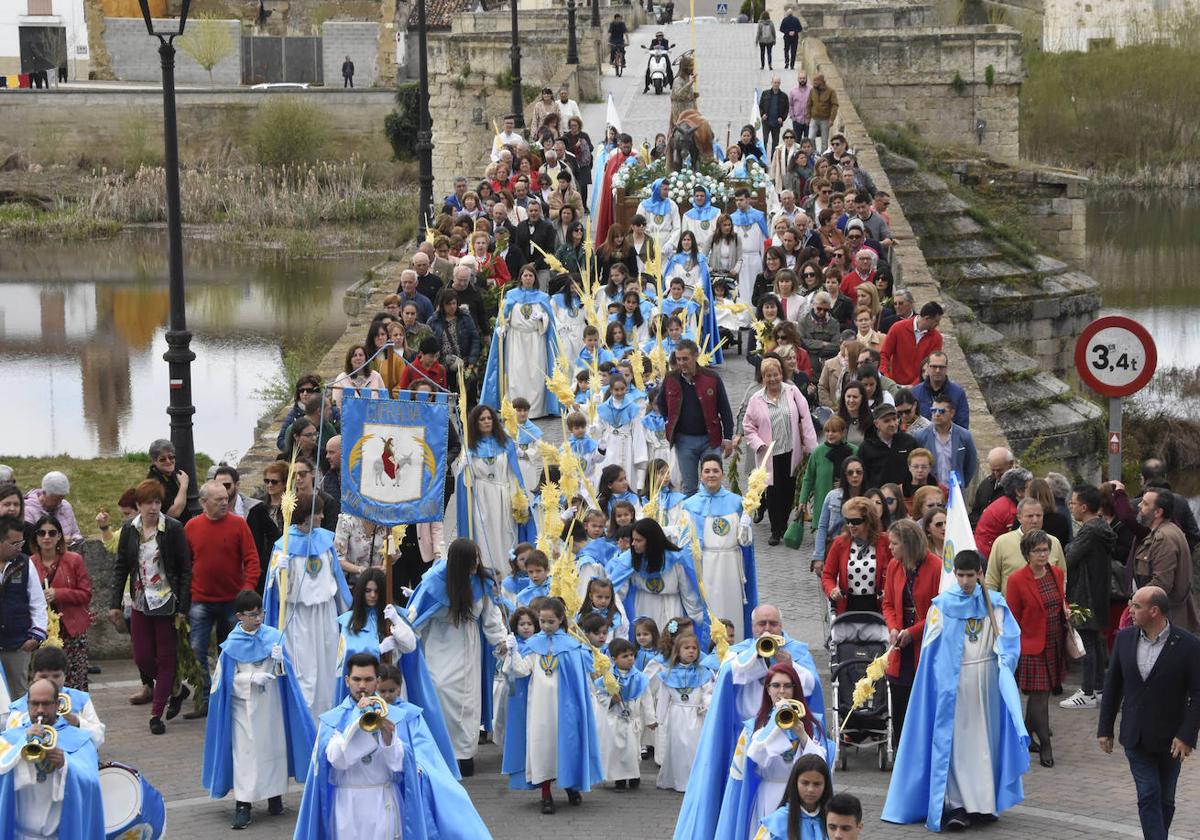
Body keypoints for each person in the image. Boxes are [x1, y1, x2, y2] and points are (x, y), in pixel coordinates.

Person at [882, 550, 1028, 832]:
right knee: (958, 744)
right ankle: (958, 804)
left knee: (985, 742)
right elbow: (931, 647)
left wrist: (1004, 657)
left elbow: (1010, 640)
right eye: (960, 575)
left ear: (980, 574)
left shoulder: (995, 604)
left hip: (986, 682)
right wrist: (936, 680)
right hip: (955, 684)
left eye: (970, 575)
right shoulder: (942, 606)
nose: (964, 581)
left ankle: (984, 803)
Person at [294, 651, 489, 839]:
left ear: (377, 681)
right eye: (356, 679)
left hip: (383, 800)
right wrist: (358, 723)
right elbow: (337, 759)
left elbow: (400, 764)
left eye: (369, 679)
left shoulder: (395, 716)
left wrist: (389, 740)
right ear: (347, 681)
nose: (362, 685)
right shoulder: (333, 720)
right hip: (347, 805)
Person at [673, 604, 825, 840]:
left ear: (781, 625)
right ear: (752, 627)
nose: (767, 629)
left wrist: (788, 665)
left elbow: (811, 685)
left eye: (773, 624)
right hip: (746, 732)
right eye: (761, 624)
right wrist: (757, 655)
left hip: (789, 731)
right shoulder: (741, 650)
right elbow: (728, 674)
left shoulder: (797, 650)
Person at [201, 589, 316, 829]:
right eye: (253, 614)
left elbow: (286, 676)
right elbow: (223, 683)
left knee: (274, 749)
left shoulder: (273, 636)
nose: (259, 618)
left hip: (271, 706)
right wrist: (251, 679)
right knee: (247, 755)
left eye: (261, 613)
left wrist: (280, 660)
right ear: (239, 616)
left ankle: (275, 797)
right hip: (244, 708)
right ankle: (243, 804)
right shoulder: (231, 646)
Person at [1097, 585, 1200, 840]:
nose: (1130, 610)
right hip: (1135, 735)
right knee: (1149, 793)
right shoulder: (1124, 638)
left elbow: (1198, 693)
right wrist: (1105, 729)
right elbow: (1112, 686)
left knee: (1166, 799)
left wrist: (1187, 735)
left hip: (1171, 739)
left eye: (1136, 606)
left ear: (1154, 611)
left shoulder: (1188, 645)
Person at [405, 538, 508, 777]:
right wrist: (403, 639)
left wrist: (501, 641)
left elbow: (491, 618)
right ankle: (440, 750)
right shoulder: (434, 582)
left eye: (477, 560)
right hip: (439, 645)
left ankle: (464, 753)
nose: (475, 566)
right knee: (439, 689)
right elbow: (416, 617)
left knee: (467, 700)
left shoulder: (482, 582)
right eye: (470, 562)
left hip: (469, 646)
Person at [503, 596, 603, 812]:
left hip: (565, 709)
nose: (546, 626)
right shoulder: (532, 645)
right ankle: (545, 793)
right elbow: (520, 670)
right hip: (539, 709)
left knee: (566, 746)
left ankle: (569, 786)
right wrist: (512, 653)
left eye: (551, 621)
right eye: (542, 621)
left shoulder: (572, 646)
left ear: (560, 620)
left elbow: (582, 676)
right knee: (542, 748)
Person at [109, 481, 191, 734]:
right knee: (142, 657)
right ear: (139, 505)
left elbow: (185, 569)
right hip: (140, 600)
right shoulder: (129, 529)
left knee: (166, 658)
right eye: (148, 503)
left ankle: (157, 714)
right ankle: (175, 688)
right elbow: (121, 566)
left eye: (157, 502)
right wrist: (114, 604)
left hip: (166, 600)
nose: (153, 508)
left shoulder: (173, 528)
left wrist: (182, 606)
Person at [262, 493, 351, 719]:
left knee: (329, 667)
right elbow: (274, 592)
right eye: (317, 512)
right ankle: (307, 723)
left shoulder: (324, 540)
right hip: (299, 617)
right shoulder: (283, 545)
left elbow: (336, 578)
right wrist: (277, 571)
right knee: (305, 671)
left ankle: (329, 719)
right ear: (304, 515)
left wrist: (347, 614)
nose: (322, 516)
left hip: (326, 614)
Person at [717, 662, 827, 839]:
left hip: (801, 797)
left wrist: (801, 733)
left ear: (795, 689)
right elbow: (756, 755)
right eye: (776, 685)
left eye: (787, 686)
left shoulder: (811, 725)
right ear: (767, 690)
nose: (781, 691)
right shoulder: (755, 726)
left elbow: (820, 762)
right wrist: (774, 726)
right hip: (768, 794)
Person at [184, 480, 260, 717]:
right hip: (200, 599)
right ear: (203, 502)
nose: (224, 503)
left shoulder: (238, 524)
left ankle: (230, 694)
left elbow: (252, 559)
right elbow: (185, 564)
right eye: (218, 500)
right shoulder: (192, 527)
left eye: (226, 499)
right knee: (196, 650)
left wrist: (246, 591)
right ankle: (205, 697)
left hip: (232, 600)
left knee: (230, 651)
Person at [0, 678, 106, 837]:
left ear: (57, 704)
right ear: (27, 705)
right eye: (34, 704)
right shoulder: (9, 738)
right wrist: (22, 745)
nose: (40, 710)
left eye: (46, 703)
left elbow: (91, 784)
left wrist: (66, 766)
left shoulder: (81, 740)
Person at [1005, 529, 1067, 769]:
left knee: (1044, 693)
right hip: (1031, 644)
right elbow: (1012, 616)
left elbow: (1060, 602)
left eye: (1045, 549)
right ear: (1026, 554)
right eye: (1037, 550)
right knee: (1040, 695)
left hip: (1054, 641)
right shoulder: (1017, 580)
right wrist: (1013, 648)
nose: (1043, 554)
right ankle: (1046, 746)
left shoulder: (1056, 573)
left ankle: (1025, 734)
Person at [742, 357, 818, 545]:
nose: (773, 379)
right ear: (763, 377)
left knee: (788, 489)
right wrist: (758, 444)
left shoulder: (792, 393)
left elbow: (805, 419)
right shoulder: (756, 399)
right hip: (769, 453)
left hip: (791, 451)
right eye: (768, 375)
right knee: (773, 491)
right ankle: (776, 529)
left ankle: (784, 521)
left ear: (781, 374)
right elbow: (748, 426)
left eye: (775, 374)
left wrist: (812, 447)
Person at [682, 455, 757, 640]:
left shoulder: (737, 502)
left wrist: (746, 526)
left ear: (722, 475)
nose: (711, 475)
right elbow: (684, 541)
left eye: (715, 471)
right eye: (707, 471)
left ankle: (735, 643)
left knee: (733, 606)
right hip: (705, 565)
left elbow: (745, 542)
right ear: (700, 476)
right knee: (710, 608)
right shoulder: (689, 505)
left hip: (730, 564)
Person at [882, 518, 942, 747]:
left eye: (894, 544)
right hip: (900, 647)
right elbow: (887, 603)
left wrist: (913, 632)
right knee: (899, 705)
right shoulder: (894, 566)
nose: (890, 547)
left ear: (908, 545)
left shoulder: (936, 567)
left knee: (922, 707)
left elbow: (940, 612)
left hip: (923, 647)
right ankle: (900, 753)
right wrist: (894, 627)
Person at [454, 404, 529, 579]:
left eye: (489, 418)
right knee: (484, 536)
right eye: (482, 419)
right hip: (481, 500)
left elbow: (513, 474)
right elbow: (465, 481)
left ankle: (509, 575)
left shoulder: (506, 443)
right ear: (475, 423)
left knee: (506, 536)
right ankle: (488, 576)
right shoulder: (469, 448)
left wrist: (518, 499)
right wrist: (463, 467)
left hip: (503, 496)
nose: (487, 421)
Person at [1058, 484, 1115, 711]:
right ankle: (1099, 689)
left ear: (1083, 506)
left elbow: (1069, 556)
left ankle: (1088, 691)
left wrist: (1068, 546)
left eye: (1073, 503)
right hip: (1098, 592)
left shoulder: (1090, 531)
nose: (1071, 507)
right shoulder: (1101, 527)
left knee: (1088, 641)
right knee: (1096, 640)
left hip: (1086, 593)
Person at [656, 340, 735, 495]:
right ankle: (690, 519)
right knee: (689, 487)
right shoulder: (670, 378)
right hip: (684, 441)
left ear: (695, 356)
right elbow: (661, 404)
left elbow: (724, 409)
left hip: (710, 439)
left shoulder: (712, 378)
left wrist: (728, 438)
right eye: (678, 359)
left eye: (685, 359)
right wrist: (670, 423)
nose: (681, 363)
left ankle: (714, 517)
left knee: (712, 484)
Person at [26, 515, 90, 690]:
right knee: (44, 679)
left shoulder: (74, 560)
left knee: (74, 680)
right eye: (42, 533)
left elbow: (86, 594)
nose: (47, 537)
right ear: (36, 537)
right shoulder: (29, 563)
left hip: (71, 629)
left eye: (52, 533)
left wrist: (59, 593)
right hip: (42, 630)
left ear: (59, 536)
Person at [655, 632, 715, 791]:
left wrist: (706, 706)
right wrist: (659, 719)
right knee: (678, 746)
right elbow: (663, 697)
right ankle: (677, 780)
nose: (691, 651)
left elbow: (708, 692)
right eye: (686, 648)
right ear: (678, 651)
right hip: (677, 715)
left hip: (696, 714)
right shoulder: (668, 673)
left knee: (693, 746)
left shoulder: (703, 672)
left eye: (694, 648)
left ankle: (693, 781)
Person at [985, 497, 1067, 596]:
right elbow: (991, 581)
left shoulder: (1054, 542)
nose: (1035, 520)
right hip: (1011, 608)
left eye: (1038, 515)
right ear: (1019, 518)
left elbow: (1062, 577)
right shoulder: (1002, 542)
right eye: (1030, 516)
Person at [751, 754, 833, 840]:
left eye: (817, 784)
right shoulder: (777, 821)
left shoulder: (833, 819)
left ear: (826, 785)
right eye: (805, 783)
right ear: (795, 783)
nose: (810, 790)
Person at [913, 393, 978, 488]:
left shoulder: (964, 436)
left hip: (955, 492)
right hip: (930, 491)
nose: (937, 414)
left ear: (952, 413)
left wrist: (962, 484)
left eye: (942, 411)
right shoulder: (920, 436)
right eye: (933, 410)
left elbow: (970, 464)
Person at [973, 465, 1032, 561]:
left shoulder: (1005, 502)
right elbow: (1016, 540)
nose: (1033, 490)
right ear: (1019, 491)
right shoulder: (1011, 512)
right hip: (989, 555)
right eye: (1030, 487)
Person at [880, 301, 944, 387]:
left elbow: (931, 365)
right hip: (893, 384)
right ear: (927, 318)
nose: (938, 324)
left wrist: (914, 385)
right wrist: (887, 379)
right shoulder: (897, 328)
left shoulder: (937, 338)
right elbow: (884, 354)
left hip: (919, 387)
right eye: (936, 321)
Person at [859, 403, 918, 489]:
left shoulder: (909, 442)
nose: (893, 424)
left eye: (894, 419)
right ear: (876, 424)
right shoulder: (866, 447)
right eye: (887, 421)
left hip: (905, 497)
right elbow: (864, 477)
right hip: (878, 498)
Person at [22, 472, 82, 544]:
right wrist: (59, 541)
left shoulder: (66, 506)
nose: (59, 503)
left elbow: (76, 533)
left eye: (62, 498)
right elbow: (31, 542)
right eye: (55, 500)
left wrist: (75, 539)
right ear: (44, 493)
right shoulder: (28, 511)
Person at [807, 74, 838, 153]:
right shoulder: (812, 90)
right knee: (811, 138)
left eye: (816, 81)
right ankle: (814, 154)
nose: (814, 82)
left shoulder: (830, 91)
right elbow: (808, 104)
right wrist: (807, 117)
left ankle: (823, 156)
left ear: (821, 81)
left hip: (825, 119)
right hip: (814, 118)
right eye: (814, 81)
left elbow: (835, 105)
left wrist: (832, 119)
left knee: (824, 141)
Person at [759, 76, 790, 154]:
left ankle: (773, 159)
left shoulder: (784, 96)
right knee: (764, 140)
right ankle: (763, 158)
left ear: (780, 84)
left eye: (778, 83)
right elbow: (760, 106)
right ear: (771, 83)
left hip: (777, 123)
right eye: (775, 82)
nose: (776, 84)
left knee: (775, 143)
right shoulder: (765, 93)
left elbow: (786, 109)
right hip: (766, 122)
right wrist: (762, 114)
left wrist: (782, 118)